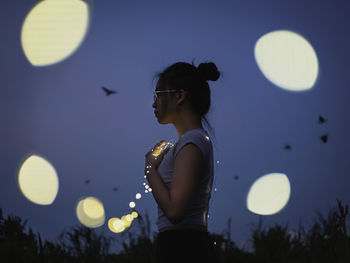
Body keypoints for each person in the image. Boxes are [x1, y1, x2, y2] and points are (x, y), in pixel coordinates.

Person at [144, 61, 220, 263]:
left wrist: (150, 169)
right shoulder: (189, 141)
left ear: (179, 96)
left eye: (158, 95)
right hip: (182, 243)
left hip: (183, 247)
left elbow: (175, 211)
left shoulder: (192, 142)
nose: (154, 103)